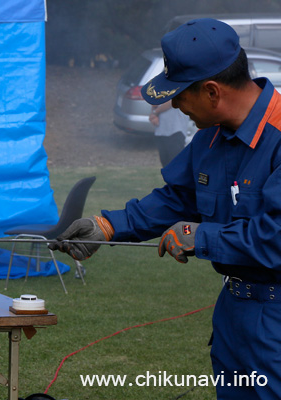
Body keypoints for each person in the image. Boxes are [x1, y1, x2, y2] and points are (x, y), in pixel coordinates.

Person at [49, 18, 281, 399]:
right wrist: (108, 226)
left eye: (178, 94)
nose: (174, 105)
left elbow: (275, 238)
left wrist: (198, 236)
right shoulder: (211, 137)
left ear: (211, 91)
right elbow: (177, 198)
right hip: (234, 311)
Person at [149, 100, 190, 167]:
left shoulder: (178, 89)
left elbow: (172, 102)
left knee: (176, 164)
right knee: (165, 164)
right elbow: (154, 103)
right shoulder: (160, 90)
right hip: (160, 131)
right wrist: (153, 115)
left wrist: (155, 112)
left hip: (176, 130)